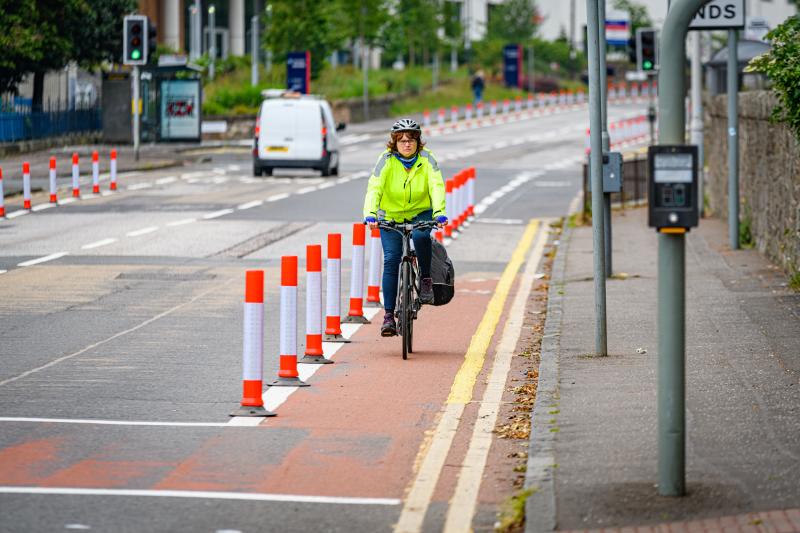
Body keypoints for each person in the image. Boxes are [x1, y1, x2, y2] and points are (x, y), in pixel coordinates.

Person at [363, 119, 448, 337]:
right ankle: (389, 316)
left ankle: (426, 279)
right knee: (391, 260)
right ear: (394, 143)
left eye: (411, 140)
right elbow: (375, 187)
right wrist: (370, 214)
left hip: (422, 212)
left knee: (420, 238)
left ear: (418, 142)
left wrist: (439, 213)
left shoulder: (427, 158)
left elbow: (436, 186)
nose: (406, 144)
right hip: (390, 215)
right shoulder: (386, 160)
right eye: (401, 140)